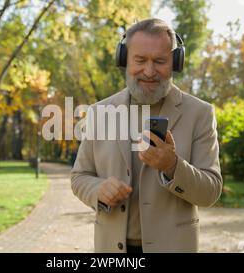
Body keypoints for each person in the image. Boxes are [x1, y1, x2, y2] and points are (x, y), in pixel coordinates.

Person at [70, 18, 222, 253]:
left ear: (175, 63)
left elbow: (211, 192)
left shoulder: (200, 113)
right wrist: (98, 190)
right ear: (124, 60)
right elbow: (79, 177)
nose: (149, 71)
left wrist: (172, 166)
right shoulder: (99, 112)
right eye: (140, 60)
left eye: (160, 61)